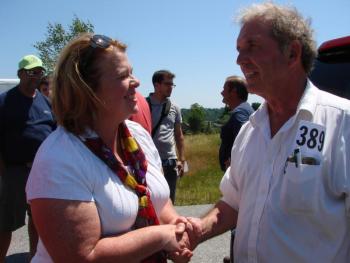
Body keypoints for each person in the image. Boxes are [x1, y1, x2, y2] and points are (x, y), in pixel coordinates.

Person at [187, 2, 350, 262]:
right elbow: (233, 202)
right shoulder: (251, 129)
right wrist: (196, 231)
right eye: (239, 50)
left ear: (292, 53)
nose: (239, 60)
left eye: (252, 46)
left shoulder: (343, 124)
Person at [25, 33, 195, 262]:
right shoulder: (58, 159)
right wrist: (160, 237)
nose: (136, 81)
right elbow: (83, 256)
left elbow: (160, 201)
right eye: (124, 75)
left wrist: (175, 228)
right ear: (88, 90)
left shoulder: (137, 136)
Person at [0, 55, 56, 261]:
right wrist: (4, 171)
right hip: (14, 172)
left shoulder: (45, 102)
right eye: (32, 72)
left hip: (41, 172)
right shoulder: (5, 101)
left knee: (38, 220)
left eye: (40, 72)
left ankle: (34, 258)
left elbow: (55, 131)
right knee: (5, 223)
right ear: (21, 74)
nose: (37, 76)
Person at [146, 70, 186, 204]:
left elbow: (179, 135)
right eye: (167, 84)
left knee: (169, 199)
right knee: (149, 200)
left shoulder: (174, 107)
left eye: (172, 85)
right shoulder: (143, 105)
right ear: (156, 85)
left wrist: (182, 159)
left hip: (170, 161)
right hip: (148, 161)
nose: (170, 87)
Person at [219, 76, 254, 171]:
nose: (221, 93)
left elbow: (244, 138)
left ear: (233, 92)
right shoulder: (245, 109)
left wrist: (235, 163)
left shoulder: (240, 112)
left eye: (224, 89)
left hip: (237, 171)